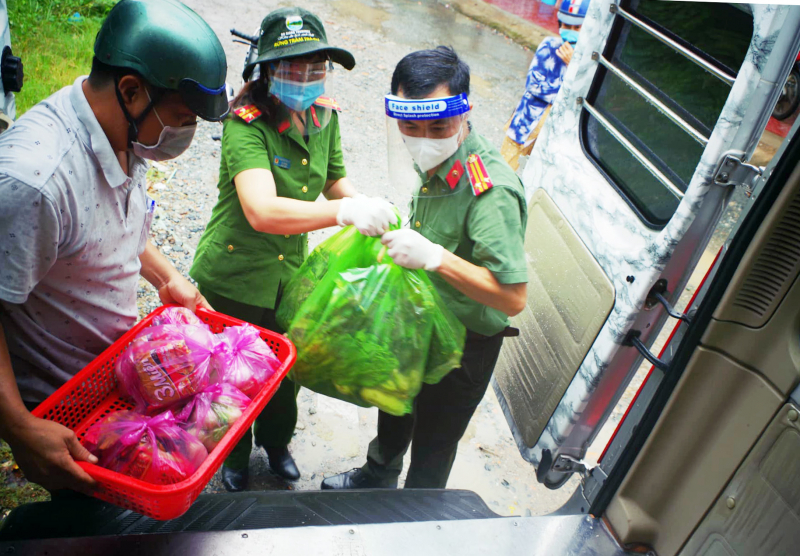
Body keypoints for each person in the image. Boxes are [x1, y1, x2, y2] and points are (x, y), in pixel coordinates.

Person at [0, 0, 229, 494]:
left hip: (119, 374)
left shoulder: (123, 131)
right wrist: (19, 428)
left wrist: (169, 279)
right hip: (66, 412)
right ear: (130, 89)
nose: (186, 133)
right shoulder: (36, 182)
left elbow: (111, 225)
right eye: (184, 117)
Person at [189, 7, 396, 492]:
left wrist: (366, 205)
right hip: (235, 274)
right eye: (292, 67)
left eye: (316, 67)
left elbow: (334, 181)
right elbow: (261, 209)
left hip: (290, 276)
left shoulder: (324, 117)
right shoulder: (246, 123)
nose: (306, 78)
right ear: (265, 69)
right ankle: (233, 457)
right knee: (233, 375)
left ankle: (276, 444)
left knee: (284, 371)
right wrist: (343, 215)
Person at [321, 46, 528, 490]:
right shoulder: (433, 158)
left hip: (465, 342)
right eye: (410, 127)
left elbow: (513, 297)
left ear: (465, 110)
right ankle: (378, 474)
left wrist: (435, 256)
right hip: (418, 316)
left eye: (438, 126)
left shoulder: (490, 191)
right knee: (395, 403)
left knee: (435, 441)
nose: (423, 138)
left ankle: (415, 517)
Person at [500, 0, 591, 171]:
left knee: (537, 176)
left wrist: (574, 67)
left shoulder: (587, 62)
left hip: (554, 135)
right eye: (566, 25)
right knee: (503, 169)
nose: (570, 32)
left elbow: (584, 98)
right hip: (525, 121)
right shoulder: (550, 45)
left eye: (577, 28)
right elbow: (534, 85)